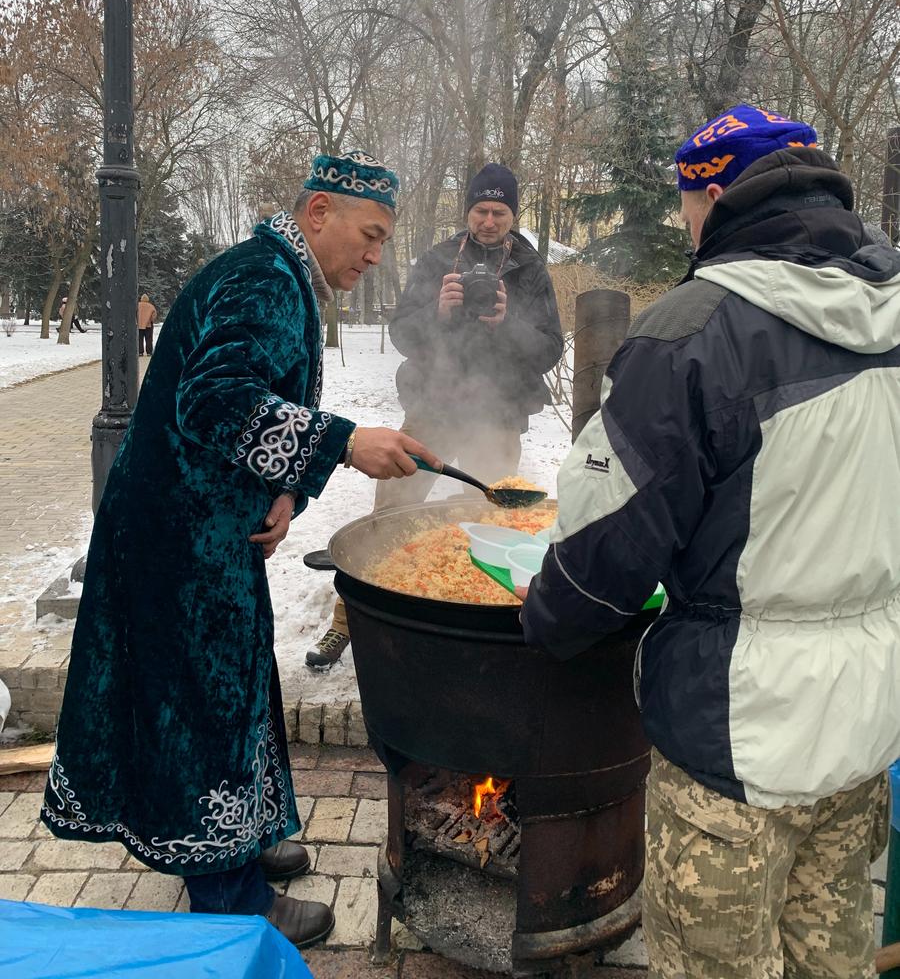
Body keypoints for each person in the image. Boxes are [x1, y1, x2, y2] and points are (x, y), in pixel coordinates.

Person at [520, 105, 900, 978]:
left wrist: (547, 622)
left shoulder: (695, 331)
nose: (687, 227)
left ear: (714, 193)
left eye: (686, 206)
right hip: (864, 729)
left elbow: (604, 546)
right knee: (830, 963)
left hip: (738, 745)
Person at [41, 150, 440, 949]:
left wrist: (287, 488)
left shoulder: (278, 276)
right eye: (369, 235)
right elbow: (216, 400)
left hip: (203, 534)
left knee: (236, 689)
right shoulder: (263, 280)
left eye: (384, 243)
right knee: (203, 708)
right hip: (175, 545)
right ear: (318, 212)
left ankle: (245, 837)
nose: (374, 256)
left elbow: (247, 410)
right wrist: (345, 442)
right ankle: (231, 900)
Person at [305, 162, 564, 670]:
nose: (489, 221)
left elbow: (551, 346)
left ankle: (471, 634)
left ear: (514, 213)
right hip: (432, 409)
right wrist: (440, 313)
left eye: (500, 211)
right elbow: (403, 332)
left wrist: (507, 322)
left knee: (492, 521)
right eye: (481, 210)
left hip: (498, 414)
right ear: (468, 210)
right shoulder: (439, 258)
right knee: (387, 517)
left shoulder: (531, 268)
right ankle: (347, 623)